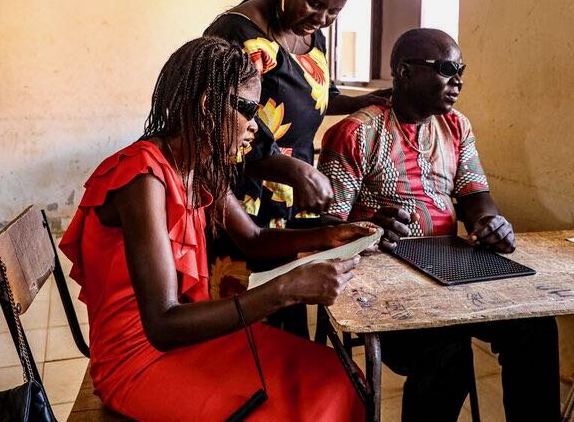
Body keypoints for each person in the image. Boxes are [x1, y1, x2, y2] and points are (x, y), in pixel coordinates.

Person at [59, 37, 369, 421]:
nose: (255, 127)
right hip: (138, 361)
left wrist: (331, 236)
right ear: (209, 106)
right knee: (306, 406)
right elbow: (161, 324)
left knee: (344, 377)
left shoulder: (198, 166)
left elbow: (253, 239)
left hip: (190, 335)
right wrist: (286, 290)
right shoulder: (143, 179)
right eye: (249, 111)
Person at [317, 28, 560, 422]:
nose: (458, 80)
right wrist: (367, 227)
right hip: (385, 280)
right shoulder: (355, 132)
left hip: (449, 266)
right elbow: (328, 227)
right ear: (405, 72)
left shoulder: (456, 126)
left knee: (535, 328)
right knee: (449, 356)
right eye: (447, 69)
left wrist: (489, 222)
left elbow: (474, 195)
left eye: (460, 69)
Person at [204, 0, 387, 334]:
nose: (321, 18)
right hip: (241, 198)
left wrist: (370, 98)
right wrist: (294, 170)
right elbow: (218, 125)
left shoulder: (309, 33)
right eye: (314, 2)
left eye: (333, 12)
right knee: (248, 314)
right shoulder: (239, 34)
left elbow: (318, 97)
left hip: (290, 201)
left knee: (288, 311)